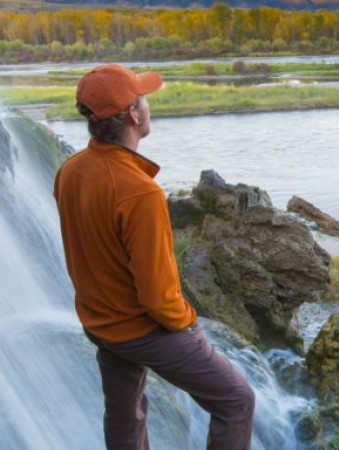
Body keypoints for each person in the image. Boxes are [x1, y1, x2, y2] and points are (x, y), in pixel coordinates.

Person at [53, 64, 255, 450]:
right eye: (143, 98)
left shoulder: (70, 171)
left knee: (125, 415)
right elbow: (158, 297)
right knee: (236, 400)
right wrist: (189, 324)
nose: (148, 105)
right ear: (133, 114)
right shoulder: (139, 192)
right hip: (141, 329)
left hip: (100, 322)